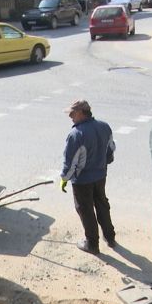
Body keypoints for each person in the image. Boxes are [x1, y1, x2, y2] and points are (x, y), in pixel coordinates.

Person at [59, 99, 117, 255]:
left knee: (85, 210)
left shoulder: (76, 135)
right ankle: (110, 237)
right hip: (100, 175)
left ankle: (92, 244)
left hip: (82, 181)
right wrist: (102, 163)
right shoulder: (104, 126)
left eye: (72, 113)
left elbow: (70, 162)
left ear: (80, 113)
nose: (70, 117)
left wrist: (64, 179)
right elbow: (111, 149)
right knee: (102, 204)